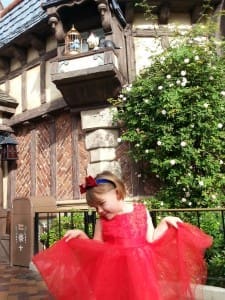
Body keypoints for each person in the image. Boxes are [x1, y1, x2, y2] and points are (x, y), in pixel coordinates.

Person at [32, 170, 212, 300]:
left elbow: (151, 239)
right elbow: (97, 248)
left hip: (142, 275)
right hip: (113, 276)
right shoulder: (102, 221)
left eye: (102, 204)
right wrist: (81, 235)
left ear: (117, 193)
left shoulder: (141, 210)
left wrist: (165, 222)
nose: (100, 210)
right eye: (95, 208)